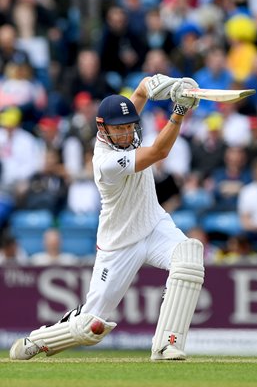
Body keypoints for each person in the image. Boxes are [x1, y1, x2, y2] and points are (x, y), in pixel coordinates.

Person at [9, 74, 204, 361]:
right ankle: (37, 341)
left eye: (130, 127)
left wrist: (165, 84)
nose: (127, 134)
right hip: (119, 243)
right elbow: (159, 151)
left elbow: (140, 89)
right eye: (120, 130)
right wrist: (179, 111)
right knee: (91, 326)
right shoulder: (106, 162)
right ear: (103, 131)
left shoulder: (125, 132)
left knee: (189, 256)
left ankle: (166, 344)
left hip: (154, 223)